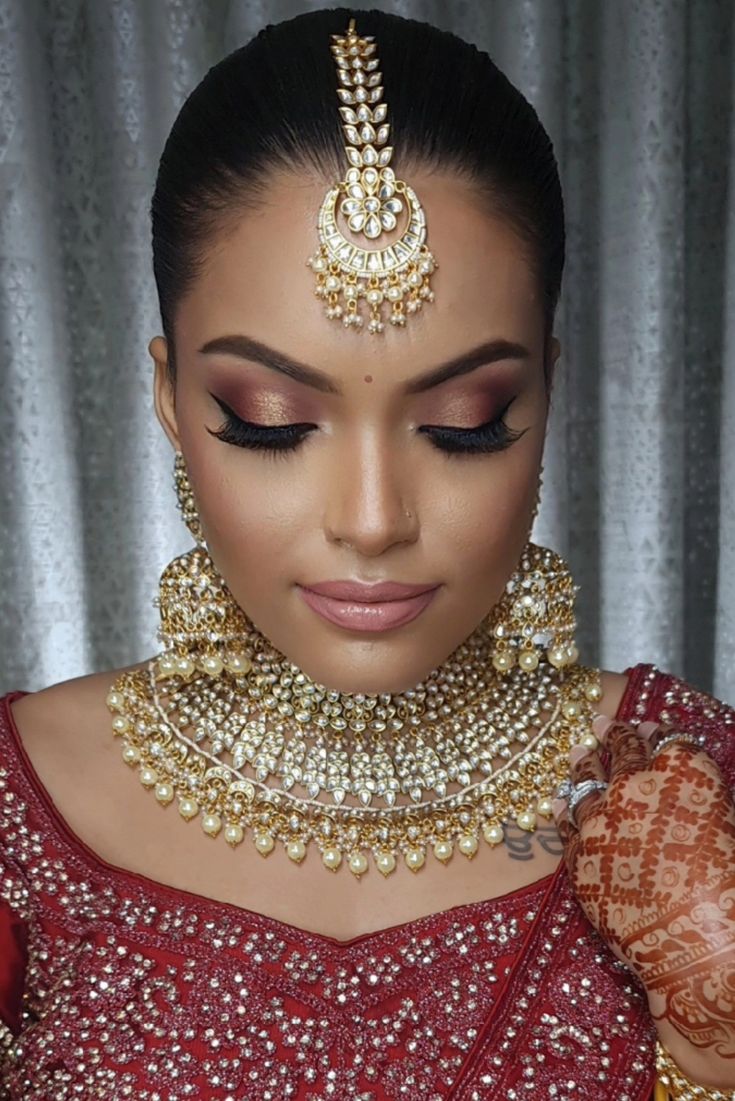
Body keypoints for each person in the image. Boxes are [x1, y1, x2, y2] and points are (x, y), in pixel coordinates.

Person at [0, 8, 733, 1099]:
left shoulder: (686, 793)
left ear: (547, 391)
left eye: (468, 420)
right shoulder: (22, 813)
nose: (375, 516)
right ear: (168, 398)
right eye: (269, 418)